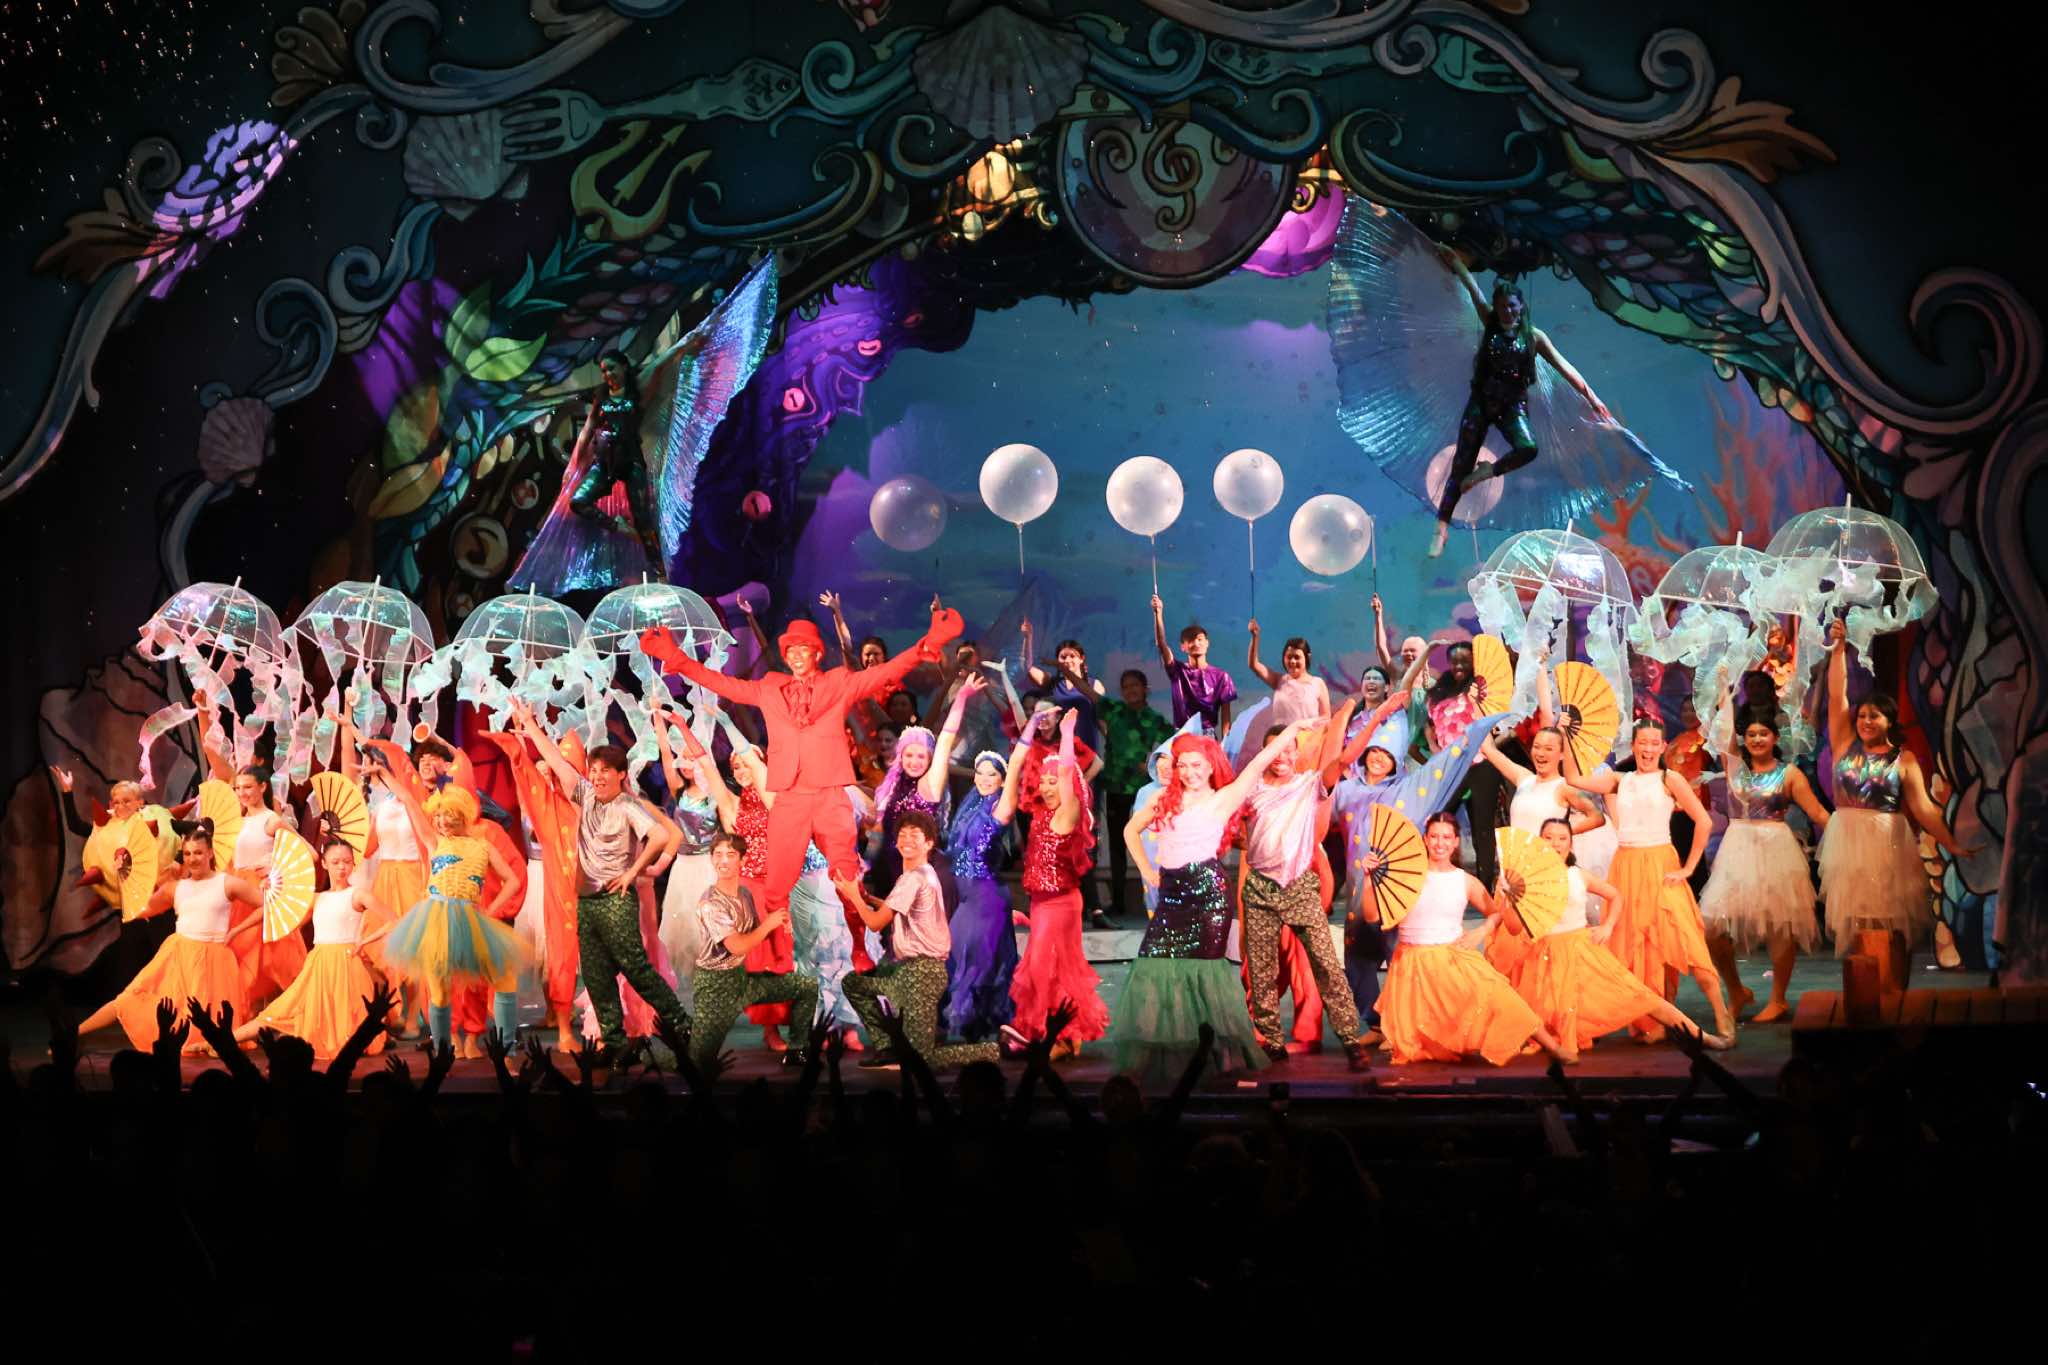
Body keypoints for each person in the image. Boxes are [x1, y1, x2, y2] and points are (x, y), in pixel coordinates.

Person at [640, 595, 963, 981]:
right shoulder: (769, 688)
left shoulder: (838, 683)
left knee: (846, 875)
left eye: (803, 649)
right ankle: (779, 958)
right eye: (790, 650)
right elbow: (722, 683)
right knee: (775, 886)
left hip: (829, 795)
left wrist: (929, 642)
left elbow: (884, 673)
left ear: (816, 653)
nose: (795, 655)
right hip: (790, 798)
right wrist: (675, 658)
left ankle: (859, 947)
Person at [1110, 726, 1304, 1083]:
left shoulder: (1223, 798)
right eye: (1183, 765)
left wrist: (1291, 729)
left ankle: (1216, 1055)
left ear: (1211, 766)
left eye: (1196, 765)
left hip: (1208, 896)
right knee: (1155, 964)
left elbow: (1259, 762)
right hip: (1172, 896)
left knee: (1204, 973)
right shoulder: (1163, 799)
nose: (1189, 772)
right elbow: (1129, 830)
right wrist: (1147, 871)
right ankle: (1168, 1052)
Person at [505, 701, 685, 1068]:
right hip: (586, 901)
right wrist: (530, 725)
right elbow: (555, 761)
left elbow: (659, 836)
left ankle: (681, 1025)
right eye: (595, 770)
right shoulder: (584, 794)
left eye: (606, 771)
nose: (599, 776)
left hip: (615, 900)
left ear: (621, 775)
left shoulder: (628, 805)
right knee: (597, 976)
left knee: (636, 969)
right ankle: (615, 1043)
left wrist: (633, 872)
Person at [1328, 690, 1512, 1044]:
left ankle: (1404, 1025)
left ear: (1396, 761)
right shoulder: (1346, 790)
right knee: (1358, 960)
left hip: (1399, 888)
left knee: (1400, 957)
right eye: (1375, 752)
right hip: (1360, 888)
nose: (1379, 759)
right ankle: (1376, 1025)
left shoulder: (1406, 789)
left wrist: (1474, 733)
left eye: (1387, 755)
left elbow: (1442, 766)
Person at [1817, 620, 1975, 984]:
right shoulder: (1844, 744)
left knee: (1888, 920)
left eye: (1874, 716)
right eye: (1862, 716)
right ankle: (1869, 992)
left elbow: (1922, 809)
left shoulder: (1903, 760)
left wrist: (1951, 843)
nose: (1865, 721)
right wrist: (1839, 651)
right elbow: (1837, 696)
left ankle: (1894, 989)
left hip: (1885, 841)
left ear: (1889, 721)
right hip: (1848, 841)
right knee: (1858, 921)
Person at [1428, 249, 1612, 558]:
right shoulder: (1489, 322)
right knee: (1460, 465)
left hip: (1512, 407)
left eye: (1511, 306)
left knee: (1528, 448)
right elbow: (1472, 287)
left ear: (1521, 306)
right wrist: (1455, 260)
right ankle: (1441, 528)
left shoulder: (1534, 337)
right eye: (1501, 307)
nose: (1506, 312)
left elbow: (1565, 368)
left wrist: (1591, 397)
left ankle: (1488, 471)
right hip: (1482, 403)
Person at [1564, 720, 1736, 1042]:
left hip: (1660, 866)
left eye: (1654, 743)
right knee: (1638, 945)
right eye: (1642, 742)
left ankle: (1720, 1012)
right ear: (1633, 746)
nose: (1647, 749)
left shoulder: (1670, 779)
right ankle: (1655, 1021)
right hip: (1626, 867)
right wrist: (1566, 734)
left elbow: (1703, 821)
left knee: (1685, 938)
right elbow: (1573, 778)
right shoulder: (1620, 780)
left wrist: (1688, 868)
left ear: (1662, 747)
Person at [1367, 811, 1578, 1064]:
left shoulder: (1465, 881)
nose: (1440, 843)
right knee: (1419, 1046)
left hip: (1453, 958)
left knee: (1502, 997)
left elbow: (1496, 914)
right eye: (1434, 836)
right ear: (1425, 839)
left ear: (1456, 841)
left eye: (1446, 837)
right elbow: (1371, 915)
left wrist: (1480, 931)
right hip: (1413, 964)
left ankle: (1554, 1047)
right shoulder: (1406, 877)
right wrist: (1370, 879)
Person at [1511, 819, 1732, 1054]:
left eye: (1562, 838)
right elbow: (1515, 926)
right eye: (1548, 837)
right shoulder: (1528, 881)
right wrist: (1510, 898)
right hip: (1546, 956)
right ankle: (1556, 1039)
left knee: (1644, 999)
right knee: (1549, 1008)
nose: (1555, 843)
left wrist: (1607, 927)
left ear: (1571, 845)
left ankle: (1704, 1037)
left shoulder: (1579, 876)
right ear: (1540, 842)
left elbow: (1615, 896)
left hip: (1582, 951)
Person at [1238, 714, 1374, 1071]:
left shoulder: (1308, 784)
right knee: (1262, 971)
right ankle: (1272, 1042)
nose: (1281, 757)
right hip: (1261, 888)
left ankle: (1349, 1039)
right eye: (1275, 750)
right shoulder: (1250, 790)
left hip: (1299, 886)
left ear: (1297, 754)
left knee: (1326, 964)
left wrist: (1378, 714)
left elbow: (1342, 761)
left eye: (1288, 750)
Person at [832, 812, 1001, 1070]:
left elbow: (876, 923)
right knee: (855, 984)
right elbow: (897, 909)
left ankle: (991, 1051)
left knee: (921, 1059)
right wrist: (868, 899)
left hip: (921, 974)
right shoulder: (924, 873)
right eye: (902, 835)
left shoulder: (913, 878)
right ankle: (887, 1048)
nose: (907, 840)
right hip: (909, 972)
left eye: (915, 835)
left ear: (929, 843)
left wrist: (854, 895)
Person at [375, 776, 529, 1053]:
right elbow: (409, 799)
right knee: (440, 992)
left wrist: (491, 910)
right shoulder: (435, 842)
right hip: (436, 919)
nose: (442, 821)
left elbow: (512, 880)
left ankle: (507, 1052)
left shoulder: (483, 845)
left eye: (449, 815)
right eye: (438, 816)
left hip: (469, 918)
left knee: (504, 978)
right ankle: (442, 1052)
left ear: (463, 815)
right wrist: (384, 774)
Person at [74, 819, 255, 1053]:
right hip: (178, 957)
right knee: (128, 998)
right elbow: (139, 910)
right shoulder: (175, 888)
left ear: (210, 853)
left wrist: (237, 930)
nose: (192, 858)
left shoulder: (228, 884)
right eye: (187, 854)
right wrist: (124, 879)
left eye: (198, 853)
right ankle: (72, 1034)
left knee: (207, 1029)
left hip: (214, 962)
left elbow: (266, 904)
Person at [1698, 709, 1831, 1024]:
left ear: (1774, 738)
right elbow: (1724, 733)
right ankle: (1737, 991)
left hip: (1775, 850)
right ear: (1744, 738)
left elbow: (1817, 813)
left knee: (1779, 926)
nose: (1757, 739)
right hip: (1738, 850)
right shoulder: (1735, 767)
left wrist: (1844, 837)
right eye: (1751, 734)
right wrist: (1724, 693)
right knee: (1712, 928)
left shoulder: (1789, 774)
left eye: (1763, 733)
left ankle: (1778, 999)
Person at [1001, 711, 1109, 1059]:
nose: (1047, 786)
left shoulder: (1067, 813)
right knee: (1051, 970)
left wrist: (1066, 734)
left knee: (1041, 969)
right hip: (1041, 904)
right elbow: (1018, 764)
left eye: (1053, 782)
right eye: (1043, 781)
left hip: (1061, 903)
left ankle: (1053, 1034)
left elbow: (1065, 772)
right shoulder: (1040, 815)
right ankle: (1064, 1035)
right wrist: (1030, 727)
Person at [231, 839, 392, 1058]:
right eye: (335, 862)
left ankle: (221, 1040)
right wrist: (267, 893)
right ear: (324, 864)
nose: (341, 867)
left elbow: (394, 921)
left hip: (346, 966)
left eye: (346, 862)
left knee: (345, 1030)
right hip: (318, 966)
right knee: (280, 1011)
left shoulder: (358, 895)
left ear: (353, 864)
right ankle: (221, 1040)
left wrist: (365, 941)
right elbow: (277, 913)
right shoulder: (317, 898)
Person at [1473, 722, 1605, 981]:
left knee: (1537, 953)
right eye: (1537, 747)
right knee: (1508, 952)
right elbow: (1488, 749)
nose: (1541, 753)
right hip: (1513, 875)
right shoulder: (1523, 778)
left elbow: (1596, 817)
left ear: (1562, 754)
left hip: (1543, 877)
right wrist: (1479, 706)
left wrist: (1557, 836)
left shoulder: (1564, 788)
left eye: (1549, 748)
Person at [686, 832, 820, 1069]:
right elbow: (737, 945)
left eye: (730, 855)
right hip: (716, 987)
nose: (723, 861)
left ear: (743, 860)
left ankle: (798, 1049)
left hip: (742, 980)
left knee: (807, 986)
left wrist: (781, 923)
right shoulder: (710, 903)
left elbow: (756, 933)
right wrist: (769, 924)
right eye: (718, 855)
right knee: (698, 1061)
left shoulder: (744, 894)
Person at [941, 748, 1022, 1044]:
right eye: (980, 773)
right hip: (967, 896)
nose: (985, 779)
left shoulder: (1001, 806)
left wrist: (1027, 734)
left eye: (993, 774)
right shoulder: (971, 805)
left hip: (986, 896)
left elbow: (1016, 766)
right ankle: (974, 1028)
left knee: (979, 961)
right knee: (961, 955)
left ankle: (980, 1027)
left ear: (1002, 780)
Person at [651, 705, 726, 1011]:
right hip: (683, 867)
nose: (684, 764)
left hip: (707, 867)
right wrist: (658, 719)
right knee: (683, 931)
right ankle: (694, 993)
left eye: (690, 758)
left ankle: (714, 990)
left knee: (706, 929)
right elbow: (664, 753)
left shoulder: (714, 794)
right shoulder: (678, 790)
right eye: (682, 759)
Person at [217, 762, 309, 1011]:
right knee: (244, 960)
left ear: (263, 787)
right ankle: (254, 1018)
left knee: (270, 960)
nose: (242, 793)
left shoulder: (271, 821)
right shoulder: (237, 821)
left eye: (248, 787)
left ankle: (278, 1017)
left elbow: (309, 854)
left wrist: (275, 866)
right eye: (238, 788)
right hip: (238, 894)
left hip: (262, 891)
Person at [1427, 640, 1508, 887]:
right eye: (1455, 661)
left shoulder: (1482, 689)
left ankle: (1485, 887)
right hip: (1451, 767)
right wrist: (1435, 749)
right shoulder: (1439, 691)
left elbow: (1497, 724)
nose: (1459, 666)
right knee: (1437, 819)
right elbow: (1431, 727)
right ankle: (1435, 878)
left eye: (1465, 661)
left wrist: (1477, 702)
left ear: (1474, 662)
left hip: (1481, 765)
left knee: (1482, 828)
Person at [1100, 669, 1172, 920]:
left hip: (1143, 790)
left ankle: (1158, 896)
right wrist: (1066, 669)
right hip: (1117, 788)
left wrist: (1151, 764)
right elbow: (1090, 695)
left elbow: (1175, 742)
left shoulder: (1154, 719)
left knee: (1155, 841)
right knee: (1118, 846)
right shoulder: (1115, 711)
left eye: (1135, 685)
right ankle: (1118, 902)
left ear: (1145, 688)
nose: (1130, 690)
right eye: (1125, 686)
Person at [1150, 593, 1235, 734]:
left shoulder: (1222, 677)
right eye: (1190, 640)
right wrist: (1158, 614)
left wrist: (1226, 743)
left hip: (1207, 735)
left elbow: (1226, 719)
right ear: (1183, 647)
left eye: (1200, 639)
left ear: (1207, 643)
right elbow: (1161, 643)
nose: (1196, 643)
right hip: (1182, 735)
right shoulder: (1177, 670)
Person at [1020, 621, 1105, 754]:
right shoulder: (1053, 683)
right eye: (1063, 657)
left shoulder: (1094, 685)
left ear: (1081, 659)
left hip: (1086, 749)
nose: (1068, 660)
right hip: (1057, 750)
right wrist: (1028, 638)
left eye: (1072, 656)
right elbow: (1027, 666)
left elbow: (1102, 717)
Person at [1245, 621, 1331, 727]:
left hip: (1308, 736)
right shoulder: (1279, 681)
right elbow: (1254, 665)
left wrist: (1304, 726)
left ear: (1307, 657)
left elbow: (1326, 718)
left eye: (1297, 657)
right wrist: (1255, 637)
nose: (1292, 661)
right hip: (1280, 736)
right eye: (1289, 657)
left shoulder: (1317, 683)